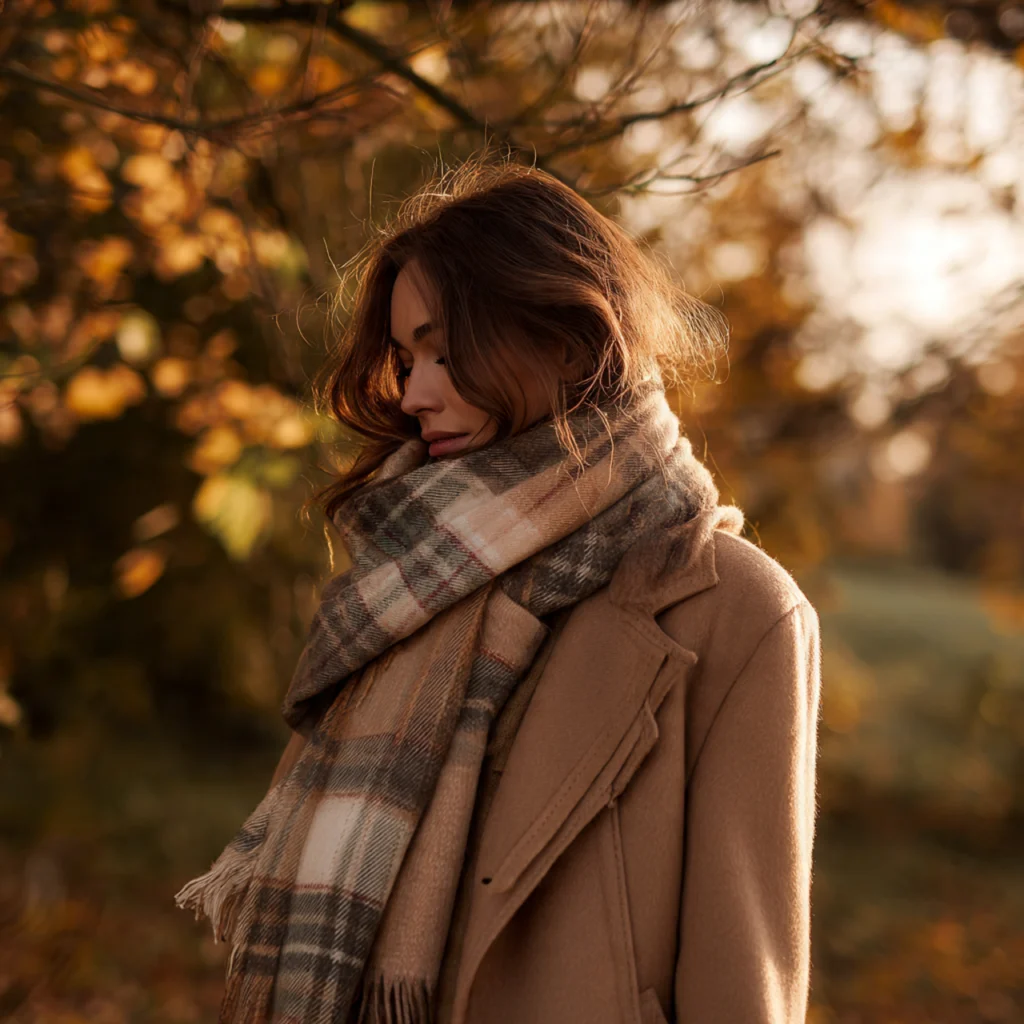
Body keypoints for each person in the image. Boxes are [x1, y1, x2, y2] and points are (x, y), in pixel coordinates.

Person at [177, 154, 822, 1024]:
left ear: (564, 338)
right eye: (407, 359)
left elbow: (740, 979)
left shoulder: (738, 612)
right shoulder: (404, 584)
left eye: (445, 352)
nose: (414, 395)